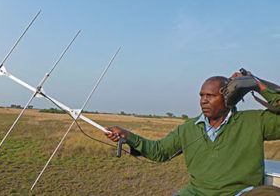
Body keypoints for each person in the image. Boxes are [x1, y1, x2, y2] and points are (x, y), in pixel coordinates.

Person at [105, 71, 280, 196]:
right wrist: (128, 136)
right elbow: (159, 151)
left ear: (229, 98)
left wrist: (258, 86)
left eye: (210, 95)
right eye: (201, 95)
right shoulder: (187, 129)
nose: (203, 100)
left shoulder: (254, 121)